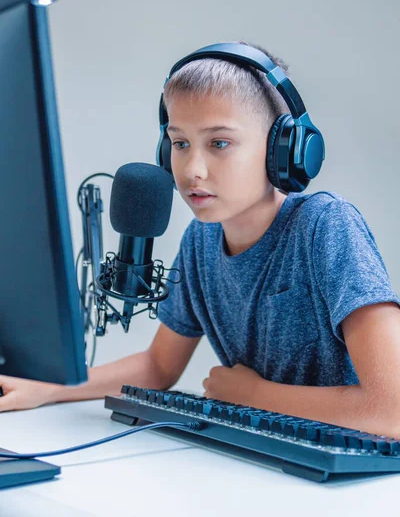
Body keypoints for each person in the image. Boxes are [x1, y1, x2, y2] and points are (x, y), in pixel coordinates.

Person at [1, 42, 400, 439]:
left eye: (219, 143)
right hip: (269, 457)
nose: (192, 170)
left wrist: (256, 395)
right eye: (180, 143)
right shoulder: (202, 241)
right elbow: (158, 366)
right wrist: (53, 388)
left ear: (284, 150)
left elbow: (391, 412)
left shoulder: (325, 227)